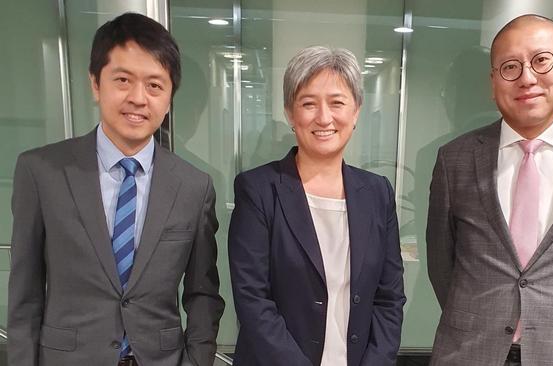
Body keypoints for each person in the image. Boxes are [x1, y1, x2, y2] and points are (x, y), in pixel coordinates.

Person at [8, 13, 225, 366]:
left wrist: (197, 360)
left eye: (155, 85)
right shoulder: (42, 172)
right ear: (96, 83)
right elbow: (25, 293)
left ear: (170, 97)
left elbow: (203, 293)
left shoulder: (194, 186)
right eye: (123, 80)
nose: (139, 98)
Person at [426, 14, 553, 366]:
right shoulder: (454, 159)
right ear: (493, 82)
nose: (527, 78)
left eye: (540, 60)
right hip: (468, 350)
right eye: (510, 67)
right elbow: (441, 263)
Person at [228, 46, 406, 366]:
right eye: (308, 103)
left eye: (337, 102)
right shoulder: (258, 189)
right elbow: (253, 300)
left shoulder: (377, 193)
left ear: (356, 111)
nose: (324, 117)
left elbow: (389, 298)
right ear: (290, 113)